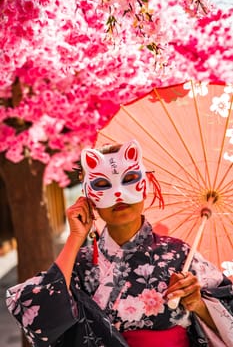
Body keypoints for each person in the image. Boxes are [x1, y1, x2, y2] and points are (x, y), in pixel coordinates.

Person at [6, 139, 233, 347]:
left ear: (145, 185)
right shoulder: (79, 265)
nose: (118, 195)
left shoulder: (180, 254)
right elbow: (41, 321)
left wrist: (199, 305)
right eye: (103, 184)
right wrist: (75, 238)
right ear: (88, 197)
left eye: (130, 180)